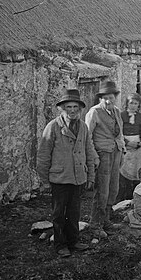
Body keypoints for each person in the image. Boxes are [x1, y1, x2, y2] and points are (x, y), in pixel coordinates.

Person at [37, 89, 96, 257]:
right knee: (59, 213)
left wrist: (90, 176)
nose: (72, 110)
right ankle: (60, 244)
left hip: (78, 177)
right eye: (68, 107)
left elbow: (89, 152)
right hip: (60, 177)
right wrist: (44, 181)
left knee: (74, 211)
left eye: (75, 107)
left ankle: (73, 241)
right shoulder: (53, 127)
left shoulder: (83, 127)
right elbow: (43, 155)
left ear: (80, 109)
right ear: (62, 109)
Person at [85, 80, 125, 241]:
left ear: (115, 97)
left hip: (115, 153)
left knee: (113, 188)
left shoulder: (116, 111)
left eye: (111, 97)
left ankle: (106, 220)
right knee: (102, 190)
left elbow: (119, 132)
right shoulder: (94, 112)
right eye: (105, 98)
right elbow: (87, 136)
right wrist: (93, 156)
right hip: (102, 155)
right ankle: (95, 225)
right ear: (100, 98)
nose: (108, 101)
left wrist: (122, 150)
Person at [118, 93, 141, 203]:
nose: (133, 106)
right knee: (124, 171)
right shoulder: (121, 116)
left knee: (137, 171)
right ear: (127, 104)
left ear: (139, 105)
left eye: (136, 103)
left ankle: (135, 197)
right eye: (131, 103)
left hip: (138, 147)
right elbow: (118, 132)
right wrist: (127, 143)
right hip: (126, 146)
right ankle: (122, 198)